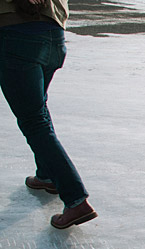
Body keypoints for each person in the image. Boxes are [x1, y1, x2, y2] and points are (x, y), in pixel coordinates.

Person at [0, 0, 97, 229]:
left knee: (34, 121)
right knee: (38, 112)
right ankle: (47, 175)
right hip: (53, 37)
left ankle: (76, 200)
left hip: (16, 36)